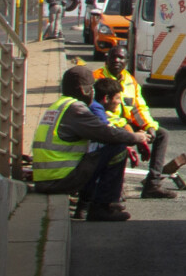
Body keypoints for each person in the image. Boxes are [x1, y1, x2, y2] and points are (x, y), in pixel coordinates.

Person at [31, 64, 145, 221]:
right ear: (83, 90)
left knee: (94, 154)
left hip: (46, 178)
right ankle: (102, 206)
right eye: (91, 88)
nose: (93, 92)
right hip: (60, 179)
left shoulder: (58, 105)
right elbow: (105, 133)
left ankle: (86, 205)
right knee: (117, 149)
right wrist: (135, 138)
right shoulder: (76, 109)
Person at [94, 45, 185, 198]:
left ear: (127, 61)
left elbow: (139, 107)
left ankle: (153, 184)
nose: (117, 60)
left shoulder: (130, 80)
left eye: (121, 58)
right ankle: (115, 188)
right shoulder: (98, 77)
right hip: (109, 125)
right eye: (113, 57)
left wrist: (149, 127)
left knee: (162, 134)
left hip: (127, 124)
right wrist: (131, 134)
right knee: (120, 139)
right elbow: (101, 112)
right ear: (106, 59)